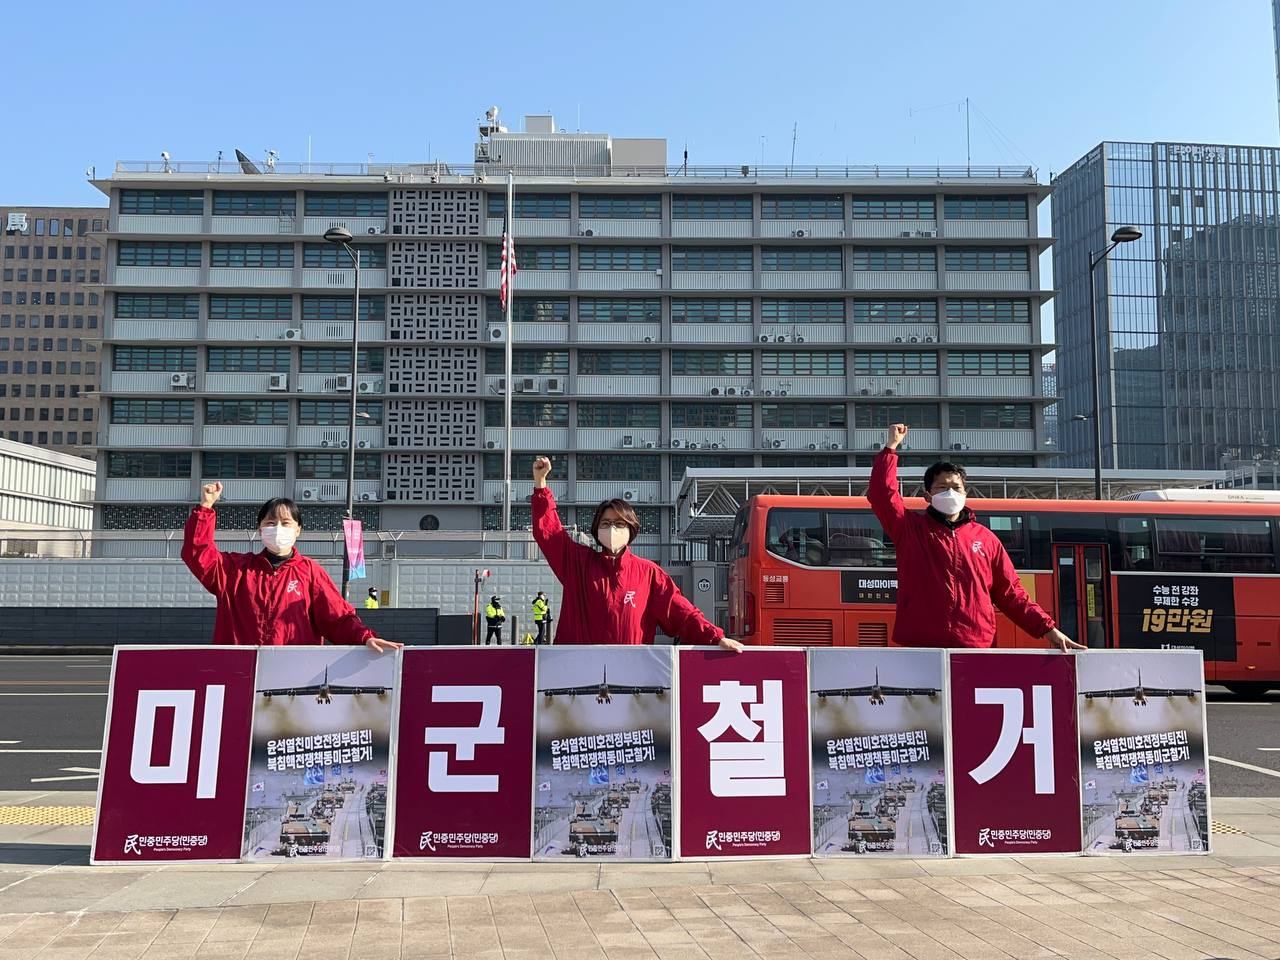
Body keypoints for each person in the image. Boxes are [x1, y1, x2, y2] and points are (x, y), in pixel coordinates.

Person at [870, 424, 1084, 652]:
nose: (950, 493)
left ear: (965, 494)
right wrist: (891, 448)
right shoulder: (909, 529)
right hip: (921, 648)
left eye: (956, 487)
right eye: (942, 487)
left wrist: (1048, 629)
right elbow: (882, 494)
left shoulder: (987, 539)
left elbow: (1011, 594)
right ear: (927, 496)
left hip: (976, 648)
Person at [530, 456, 744, 650]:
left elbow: (680, 611)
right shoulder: (577, 562)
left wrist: (715, 637)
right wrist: (541, 485)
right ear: (596, 529)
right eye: (606, 523)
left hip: (631, 671)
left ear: (631, 529)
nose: (612, 529)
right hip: (576, 670)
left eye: (619, 524)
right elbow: (549, 533)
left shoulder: (649, 573)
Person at [181, 482, 401, 651]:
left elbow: (337, 617)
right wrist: (205, 508)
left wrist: (365, 637)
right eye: (270, 523)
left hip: (293, 676)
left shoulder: (310, 572)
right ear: (260, 529)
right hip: (239, 672)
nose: (278, 528)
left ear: (298, 530)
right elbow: (197, 553)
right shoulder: (234, 570)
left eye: (286, 523)